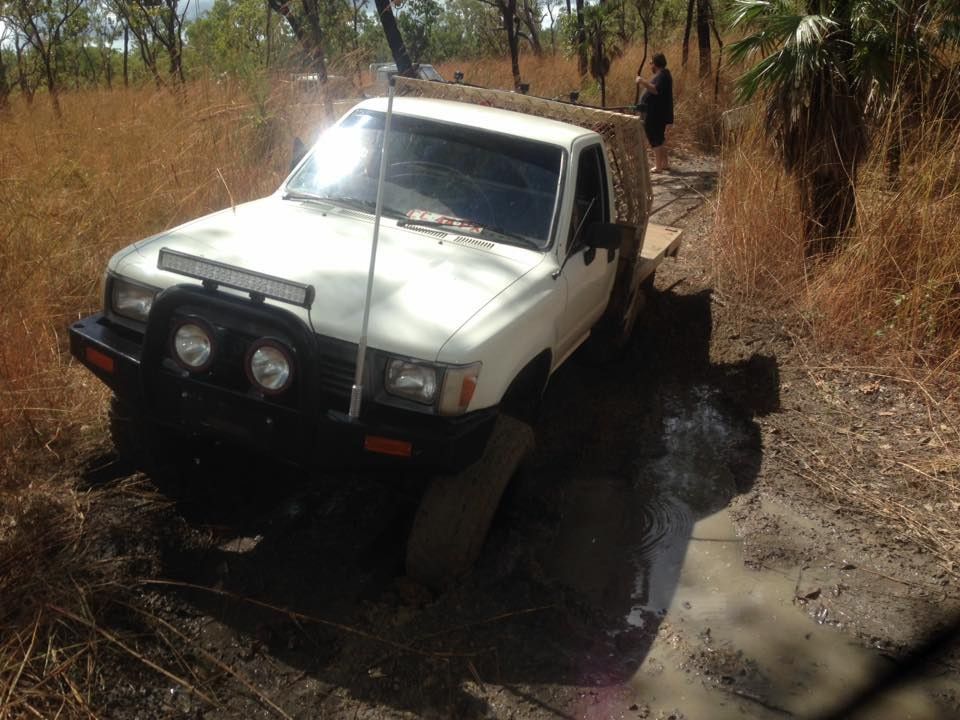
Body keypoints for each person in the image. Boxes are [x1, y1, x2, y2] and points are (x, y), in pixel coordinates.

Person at [636, 53, 674, 173]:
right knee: (660, 138)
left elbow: (655, 90)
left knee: (655, 138)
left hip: (655, 113)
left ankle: (658, 167)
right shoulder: (663, 75)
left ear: (656, 63)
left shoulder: (663, 76)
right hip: (656, 112)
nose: (649, 65)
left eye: (651, 62)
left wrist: (642, 81)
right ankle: (665, 164)